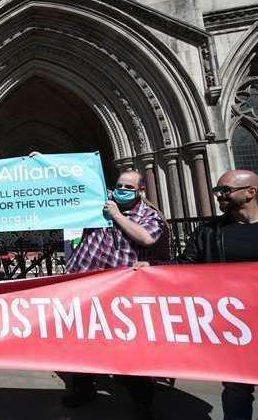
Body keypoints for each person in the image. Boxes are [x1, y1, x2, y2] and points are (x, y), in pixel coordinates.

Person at [136, 169, 258, 420]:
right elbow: (187, 266)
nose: (218, 195)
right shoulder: (209, 231)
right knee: (236, 388)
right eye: (217, 191)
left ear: (251, 192)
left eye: (225, 190)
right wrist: (154, 269)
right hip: (234, 325)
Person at [63, 170, 165, 420]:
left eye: (128, 187)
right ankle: (83, 389)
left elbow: (147, 238)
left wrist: (117, 216)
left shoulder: (149, 216)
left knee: (129, 348)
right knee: (82, 341)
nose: (121, 190)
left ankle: (142, 401)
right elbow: (70, 183)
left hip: (123, 292)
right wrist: (43, 162)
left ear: (141, 190)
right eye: (118, 185)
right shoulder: (101, 201)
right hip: (86, 282)